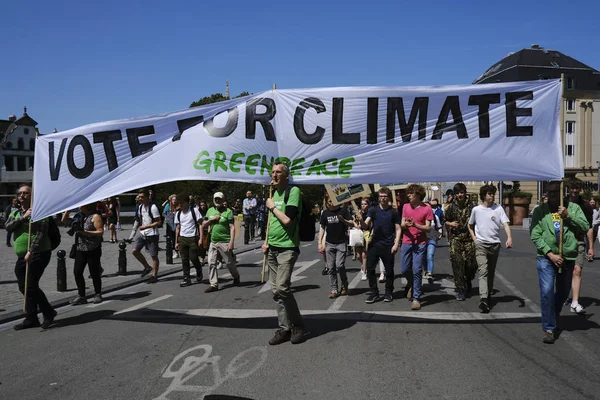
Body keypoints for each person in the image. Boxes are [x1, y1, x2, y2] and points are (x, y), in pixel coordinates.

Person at [530, 180, 588, 344]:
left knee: (562, 293)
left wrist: (569, 216)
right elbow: (535, 234)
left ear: (563, 193)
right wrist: (550, 254)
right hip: (547, 258)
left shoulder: (574, 208)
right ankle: (549, 328)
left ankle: (552, 315)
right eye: (550, 192)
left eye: (556, 192)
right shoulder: (540, 211)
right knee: (547, 291)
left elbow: (585, 226)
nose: (552, 196)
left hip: (568, 258)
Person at [262, 161, 305, 345]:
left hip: (288, 247)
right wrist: (265, 242)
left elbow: (287, 220)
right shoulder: (273, 193)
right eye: (272, 172)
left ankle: (297, 325)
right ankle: (284, 328)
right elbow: (270, 222)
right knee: (275, 292)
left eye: (278, 172)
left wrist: (272, 206)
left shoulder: (292, 192)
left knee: (282, 288)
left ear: (286, 175)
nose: (274, 175)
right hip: (272, 247)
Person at [5, 184, 57, 330]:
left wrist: (31, 251)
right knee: (24, 286)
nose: (22, 195)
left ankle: (48, 312)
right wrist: (23, 217)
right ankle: (32, 318)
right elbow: (8, 227)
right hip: (22, 255)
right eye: (20, 193)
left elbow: (41, 234)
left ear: (32, 196)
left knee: (31, 285)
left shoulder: (40, 211)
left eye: (26, 193)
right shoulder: (15, 212)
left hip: (39, 252)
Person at [467, 184, 513, 313]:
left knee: (491, 272)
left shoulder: (498, 209)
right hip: (481, 244)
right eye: (489, 193)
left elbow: (505, 224)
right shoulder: (476, 210)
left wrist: (509, 238)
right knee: (483, 271)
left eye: (493, 193)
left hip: (495, 245)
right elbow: (470, 225)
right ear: (483, 196)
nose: (492, 195)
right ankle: (483, 299)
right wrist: (475, 239)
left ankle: (487, 295)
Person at [358, 186, 401, 304]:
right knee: (370, 269)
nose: (382, 198)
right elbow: (365, 226)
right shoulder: (373, 210)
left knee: (389, 271)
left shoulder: (394, 212)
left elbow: (398, 229)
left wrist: (396, 244)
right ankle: (374, 293)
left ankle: (388, 292)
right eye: (380, 196)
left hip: (388, 245)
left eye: (384, 196)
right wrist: (361, 220)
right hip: (374, 244)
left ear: (388, 197)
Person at [62, 203, 105, 304]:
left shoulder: (95, 217)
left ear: (87, 206)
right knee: (77, 272)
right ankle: (81, 295)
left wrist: (85, 232)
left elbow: (100, 232)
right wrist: (67, 209)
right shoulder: (79, 216)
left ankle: (98, 293)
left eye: (81, 204)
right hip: (80, 248)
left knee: (94, 273)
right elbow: (64, 221)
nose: (79, 205)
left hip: (93, 248)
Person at [400, 184, 433, 310]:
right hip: (407, 241)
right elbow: (402, 224)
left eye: (410, 193)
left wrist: (416, 225)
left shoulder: (427, 209)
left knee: (417, 269)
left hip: (420, 243)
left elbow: (428, 228)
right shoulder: (405, 206)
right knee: (404, 268)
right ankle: (412, 283)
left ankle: (416, 298)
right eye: (408, 193)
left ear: (418, 194)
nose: (408, 195)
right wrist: (407, 225)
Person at [201, 192, 240, 292]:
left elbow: (232, 227)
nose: (217, 201)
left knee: (229, 263)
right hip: (213, 241)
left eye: (219, 199)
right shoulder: (210, 210)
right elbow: (204, 224)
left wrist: (232, 241)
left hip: (224, 241)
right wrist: (212, 219)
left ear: (223, 201)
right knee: (211, 262)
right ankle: (213, 284)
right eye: (215, 199)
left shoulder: (228, 212)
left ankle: (236, 276)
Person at [565, 179, 594, 315]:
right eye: (572, 188)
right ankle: (563, 294)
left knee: (577, 270)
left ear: (580, 190)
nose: (575, 191)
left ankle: (575, 302)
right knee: (563, 272)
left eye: (577, 188)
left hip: (579, 241)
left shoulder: (586, 206)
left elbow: (588, 228)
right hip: (563, 243)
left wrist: (591, 247)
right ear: (568, 189)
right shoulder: (561, 203)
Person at [445, 183, 477, 300]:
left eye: (462, 192)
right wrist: (451, 224)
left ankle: (468, 279)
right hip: (456, 238)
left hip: (469, 238)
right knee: (457, 262)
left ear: (465, 193)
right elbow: (445, 220)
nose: (460, 195)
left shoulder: (472, 206)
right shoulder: (451, 207)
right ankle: (460, 289)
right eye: (458, 193)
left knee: (470, 263)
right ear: (455, 194)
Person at [318, 195, 354, 299]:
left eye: (332, 201)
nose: (331, 203)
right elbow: (322, 228)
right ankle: (334, 289)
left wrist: (344, 221)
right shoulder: (325, 213)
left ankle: (344, 284)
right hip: (329, 243)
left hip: (341, 243)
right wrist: (320, 242)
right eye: (329, 201)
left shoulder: (343, 211)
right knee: (331, 267)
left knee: (339, 265)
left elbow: (352, 223)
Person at [132, 189, 161, 283]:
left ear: (147, 197)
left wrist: (147, 226)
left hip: (152, 234)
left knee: (153, 256)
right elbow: (142, 218)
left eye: (142, 197)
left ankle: (154, 275)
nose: (140, 198)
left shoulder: (153, 207)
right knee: (134, 250)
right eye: (139, 196)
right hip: (143, 233)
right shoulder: (140, 207)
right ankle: (147, 267)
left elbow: (159, 221)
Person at [175, 192, 204, 287]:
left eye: (182, 202)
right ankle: (186, 278)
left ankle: (198, 269)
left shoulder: (194, 211)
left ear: (187, 202)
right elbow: (178, 228)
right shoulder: (178, 213)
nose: (180, 204)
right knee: (184, 259)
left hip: (192, 238)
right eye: (179, 203)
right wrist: (176, 241)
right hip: (182, 238)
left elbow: (200, 224)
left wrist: (201, 238)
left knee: (193, 257)